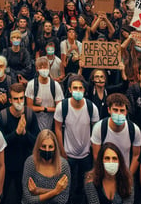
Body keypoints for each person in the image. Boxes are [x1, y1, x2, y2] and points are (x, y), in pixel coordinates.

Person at [54, 75, 99, 204]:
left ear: (84, 90)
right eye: (75, 88)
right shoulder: (62, 107)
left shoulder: (92, 108)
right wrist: (62, 151)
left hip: (86, 155)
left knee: (86, 187)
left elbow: (95, 131)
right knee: (67, 186)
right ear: (69, 89)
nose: (78, 91)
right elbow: (57, 129)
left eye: (80, 88)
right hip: (68, 154)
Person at [0, 83, 40, 204]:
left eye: (21, 98)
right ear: (10, 100)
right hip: (5, 166)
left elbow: (37, 142)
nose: (19, 102)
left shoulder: (30, 115)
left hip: (25, 166)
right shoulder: (1, 117)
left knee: (25, 199)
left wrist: (24, 133)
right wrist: (16, 133)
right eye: (15, 99)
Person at [90, 93, 141, 175]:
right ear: (109, 110)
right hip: (105, 173)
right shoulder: (99, 128)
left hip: (124, 173)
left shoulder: (134, 130)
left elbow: (136, 155)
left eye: (122, 111)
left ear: (126, 112)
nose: (118, 114)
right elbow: (96, 155)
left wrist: (129, 176)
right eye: (115, 110)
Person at [21, 129, 70, 204]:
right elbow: (28, 199)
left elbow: (62, 199)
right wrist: (56, 191)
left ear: (55, 148)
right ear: (38, 147)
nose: (47, 150)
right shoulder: (30, 162)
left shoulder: (63, 165)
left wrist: (37, 191)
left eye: (50, 147)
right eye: (43, 146)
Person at [25, 57, 64, 131]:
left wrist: (45, 109)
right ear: (37, 69)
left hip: (52, 124)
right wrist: (42, 108)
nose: (43, 69)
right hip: (35, 124)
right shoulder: (31, 85)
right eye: (40, 67)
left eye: (45, 67)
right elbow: (29, 107)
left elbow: (59, 109)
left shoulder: (55, 85)